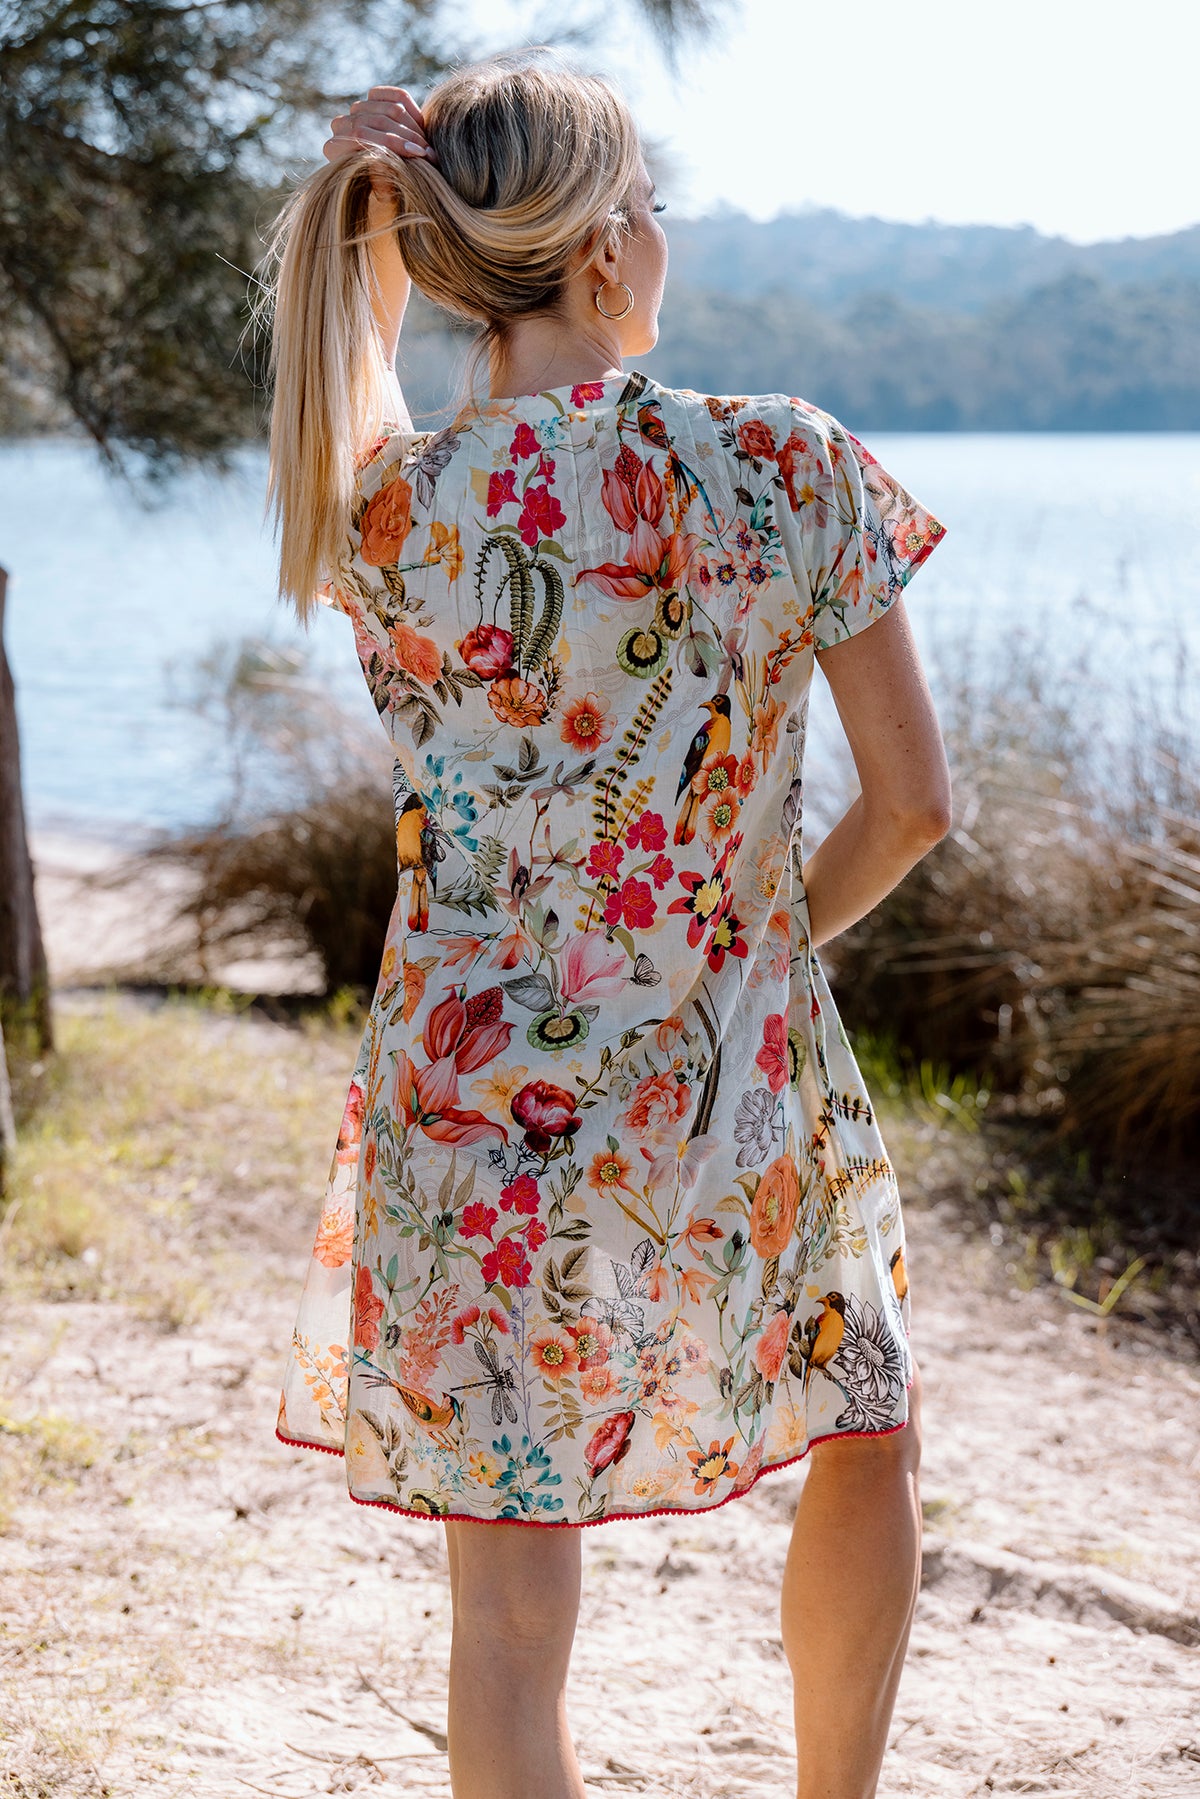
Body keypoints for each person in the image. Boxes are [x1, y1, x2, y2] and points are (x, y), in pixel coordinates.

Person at [267, 47, 951, 1799]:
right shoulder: (784, 466)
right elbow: (915, 807)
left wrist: (366, 231)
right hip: (735, 1072)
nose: (661, 238)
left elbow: (341, 379)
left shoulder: (401, 511)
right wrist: (763, 942)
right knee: (859, 1436)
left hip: (474, 1107)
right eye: (643, 206)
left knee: (503, 1620)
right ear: (595, 255)